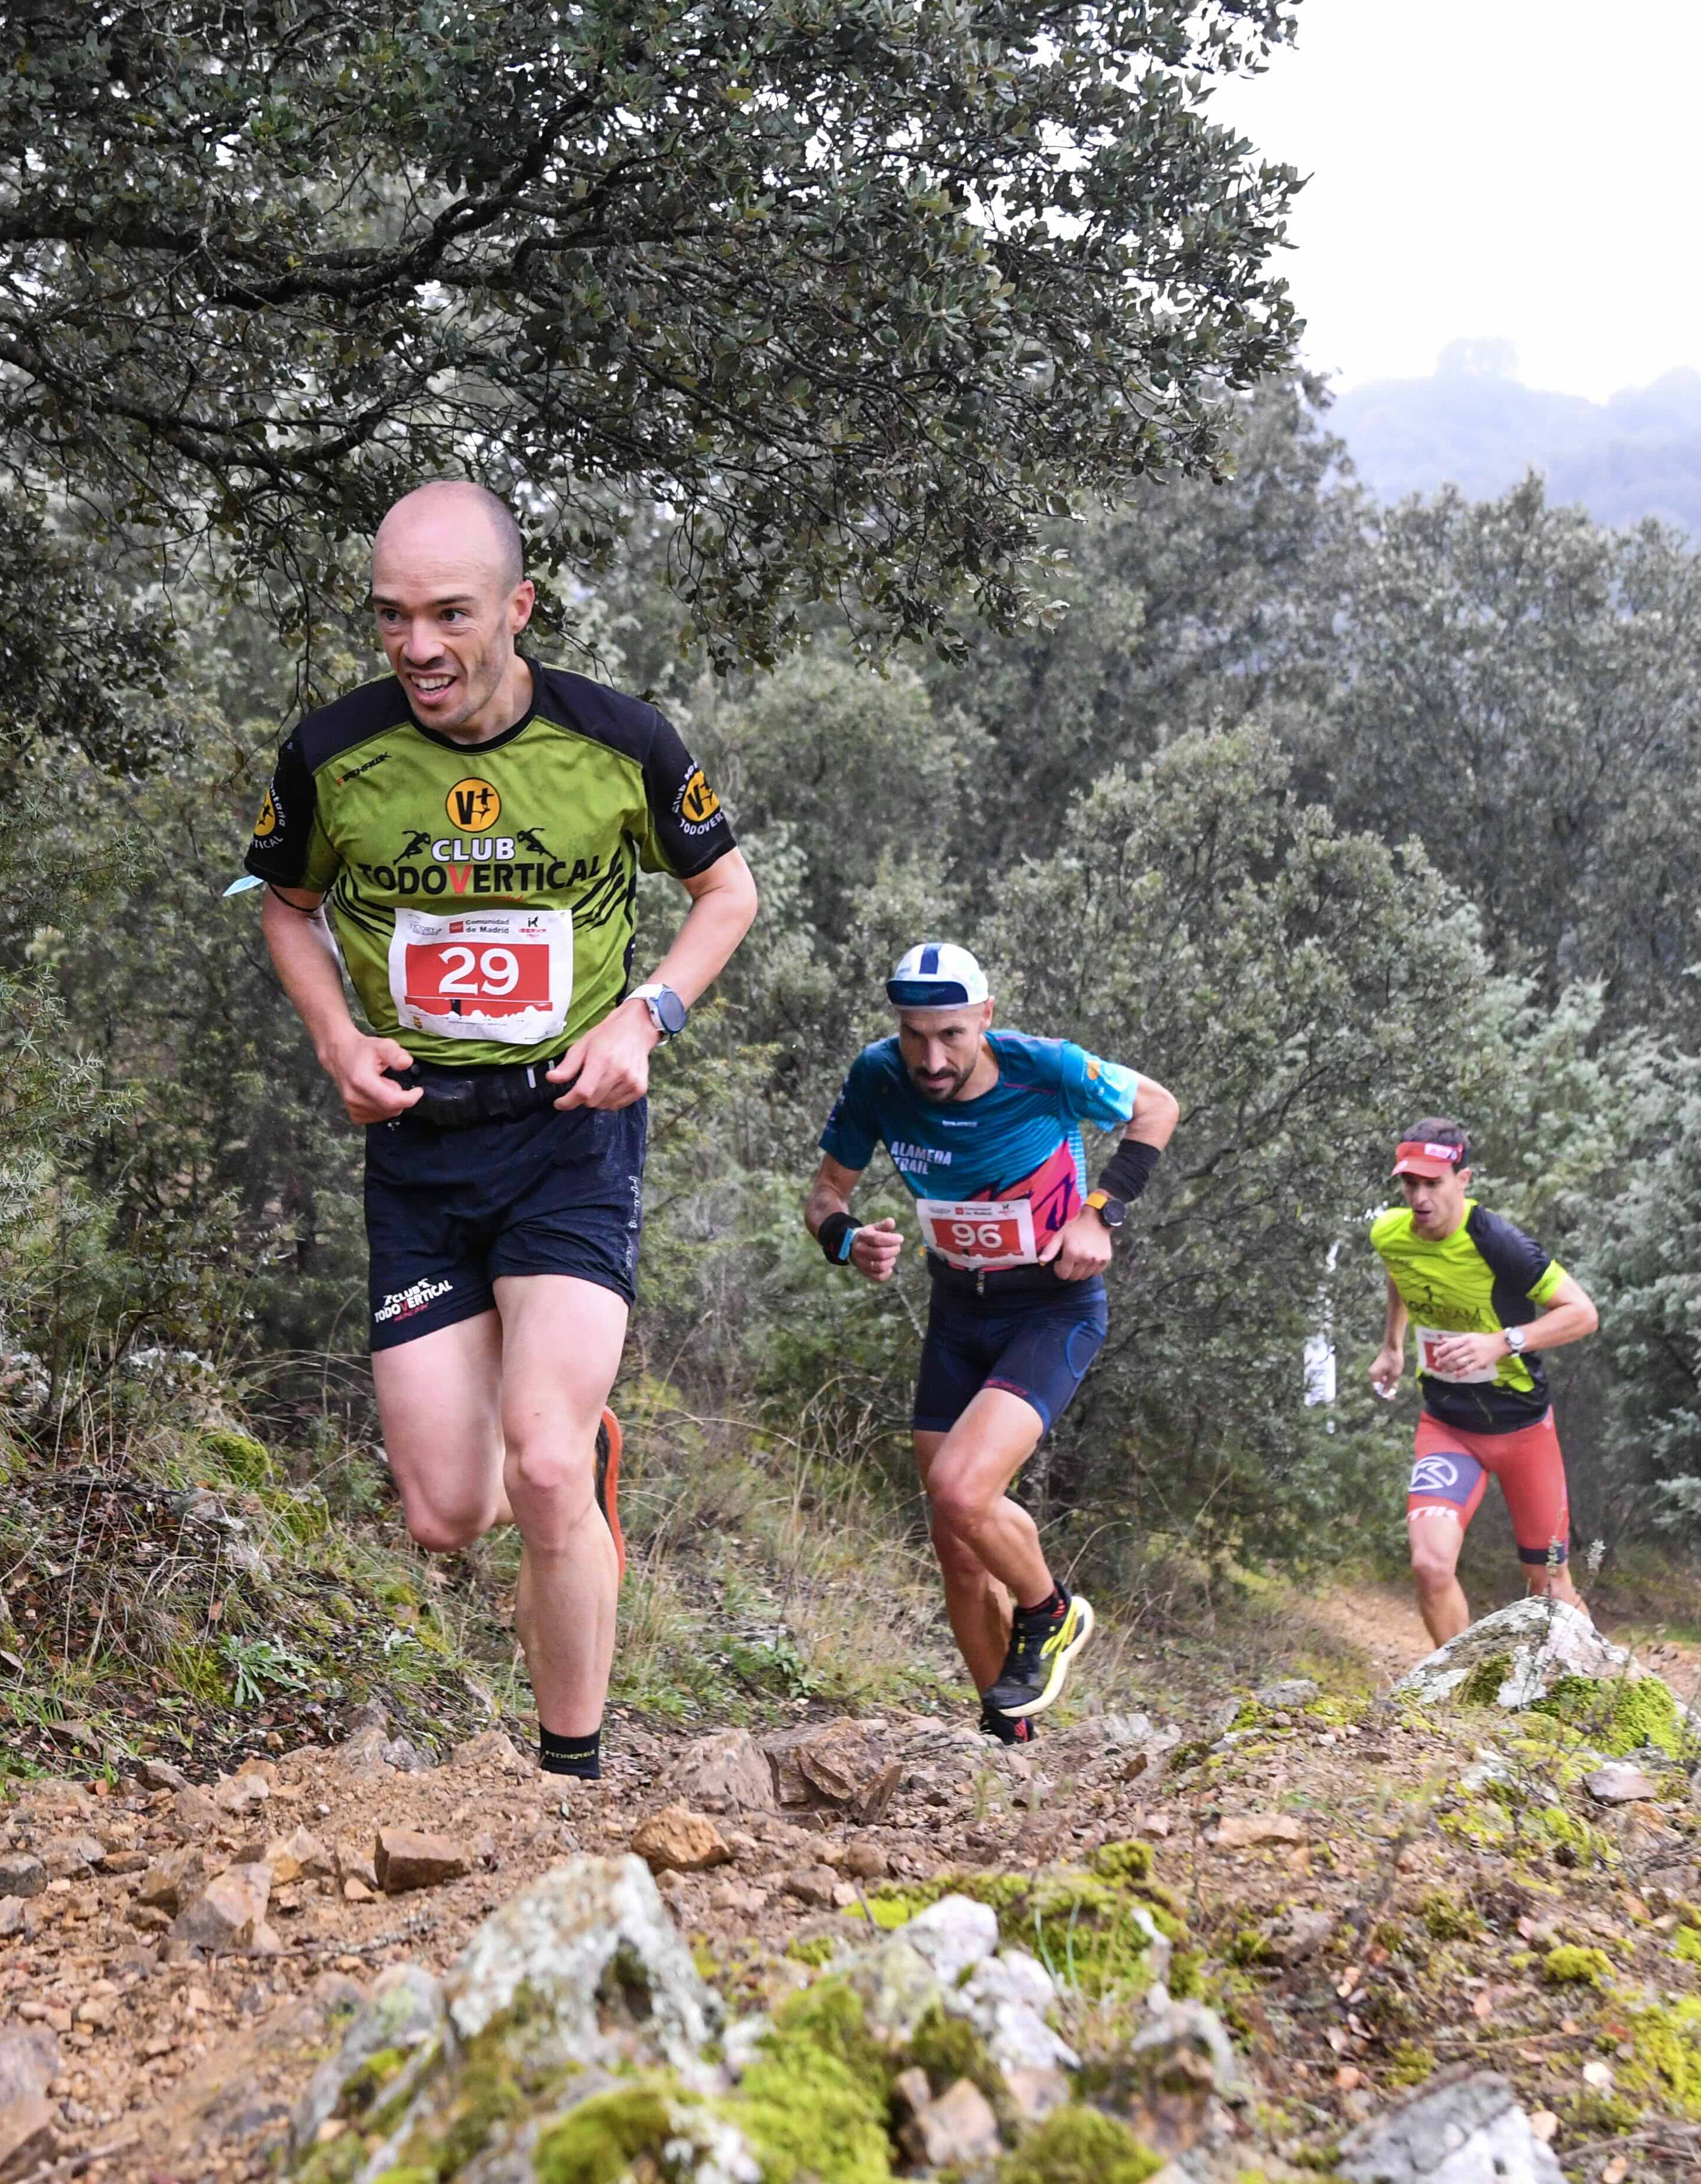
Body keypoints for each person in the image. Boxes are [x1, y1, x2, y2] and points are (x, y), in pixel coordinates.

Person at [242, 480, 759, 1780]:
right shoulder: (332, 753)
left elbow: (725, 892)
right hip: (419, 1143)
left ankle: (567, 1779)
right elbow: (285, 907)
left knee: (538, 1463)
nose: (416, 646)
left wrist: (646, 1016)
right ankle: (579, 1453)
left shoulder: (619, 741)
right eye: (391, 616)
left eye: (449, 614)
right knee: (447, 1511)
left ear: (518, 607)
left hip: (568, 1127)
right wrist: (337, 1038)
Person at [802, 943, 1179, 1740]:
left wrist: (1101, 1213)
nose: (932, 1059)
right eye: (914, 1036)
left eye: (951, 1035)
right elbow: (826, 1193)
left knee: (962, 1489)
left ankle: (1051, 1611)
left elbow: (1158, 1107)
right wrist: (847, 1240)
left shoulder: (1048, 1068)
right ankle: (1007, 1738)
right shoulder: (878, 1076)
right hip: (956, 1311)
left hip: (1051, 1308)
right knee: (958, 1547)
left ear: (986, 1018)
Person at [1366, 1118, 1602, 1645]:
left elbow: (1583, 1314)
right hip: (1448, 1428)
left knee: (1549, 1584)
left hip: (1523, 1431)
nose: (1420, 1198)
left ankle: (1602, 1688)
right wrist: (1392, 1346)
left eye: (1433, 1183)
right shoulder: (1389, 1232)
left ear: (1463, 1179)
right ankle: (1460, 1689)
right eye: (1410, 1184)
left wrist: (1503, 1342)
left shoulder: (1500, 1244)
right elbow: (1399, 1271)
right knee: (1430, 1565)